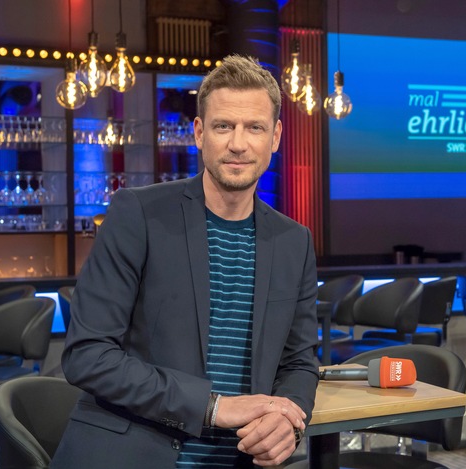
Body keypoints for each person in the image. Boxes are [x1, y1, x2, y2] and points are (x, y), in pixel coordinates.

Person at [51, 54, 319, 469]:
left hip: (240, 460)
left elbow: (299, 362)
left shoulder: (294, 241)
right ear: (199, 132)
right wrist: (212, 407)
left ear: (276, 136)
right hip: (132, 456)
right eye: (223, 126)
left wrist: (289, 418)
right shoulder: (138, 214)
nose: (238, 143)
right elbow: (88, 355)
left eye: (255, 127)